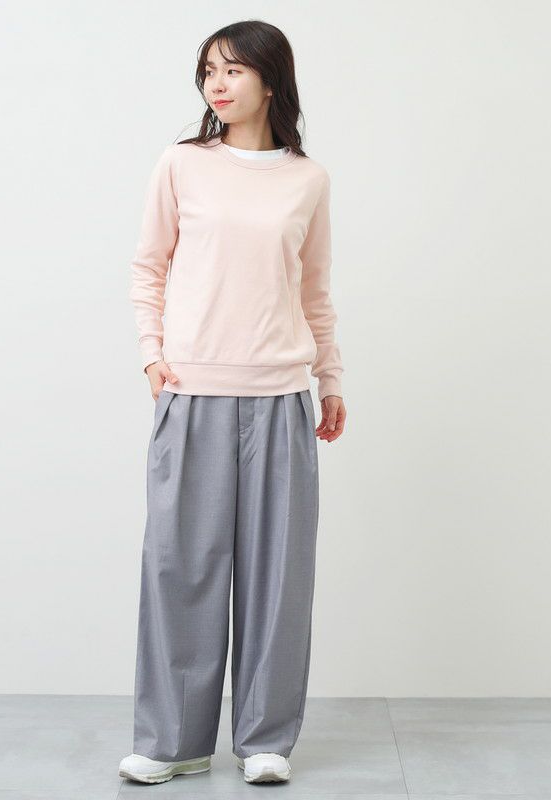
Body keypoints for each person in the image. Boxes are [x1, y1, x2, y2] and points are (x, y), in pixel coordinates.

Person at [119, 20, 346, 786]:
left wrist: (331, 380)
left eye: (234, 69)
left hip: (281, 397)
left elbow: (314, 291)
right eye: (209, 71)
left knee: (278, 577)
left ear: (270, 81)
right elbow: (148, 266)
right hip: (192, 393)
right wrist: (152, 355)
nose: (217, 83)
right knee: (180, 568)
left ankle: (265, 740)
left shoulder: (307, 179)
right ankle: (172, 741)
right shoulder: (182, 163)